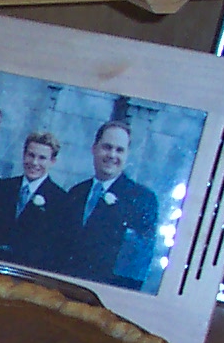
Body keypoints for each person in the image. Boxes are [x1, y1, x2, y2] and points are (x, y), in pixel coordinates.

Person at [54, 121, 160, 287]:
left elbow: (134, 268)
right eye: (107, 147)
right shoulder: (77, 192)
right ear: (94, 148)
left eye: (119, 150)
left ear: (127, 155)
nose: (112, 155)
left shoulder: (141, 199)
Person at [0, 131, 66, 267]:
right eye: (31, 155)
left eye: (42, 158)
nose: (34, 162)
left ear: (52, 161)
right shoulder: (1, 188)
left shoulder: (60, 200)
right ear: (24, 155)